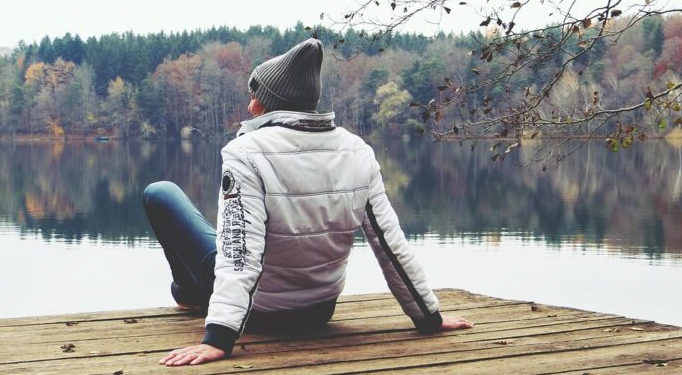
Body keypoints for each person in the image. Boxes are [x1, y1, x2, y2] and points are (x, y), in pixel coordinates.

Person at [143, 38, 473, 367]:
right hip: (319, 310)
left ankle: (188, 292)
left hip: (260, 314)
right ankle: (188, 291)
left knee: (161, 194)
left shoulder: (245, 153)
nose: (249, 106)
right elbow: (390, 246)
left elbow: (240, 253)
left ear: (269, 103)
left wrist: (219, 338)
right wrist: (429, 317)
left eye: (253, 96)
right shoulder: (357, 151)